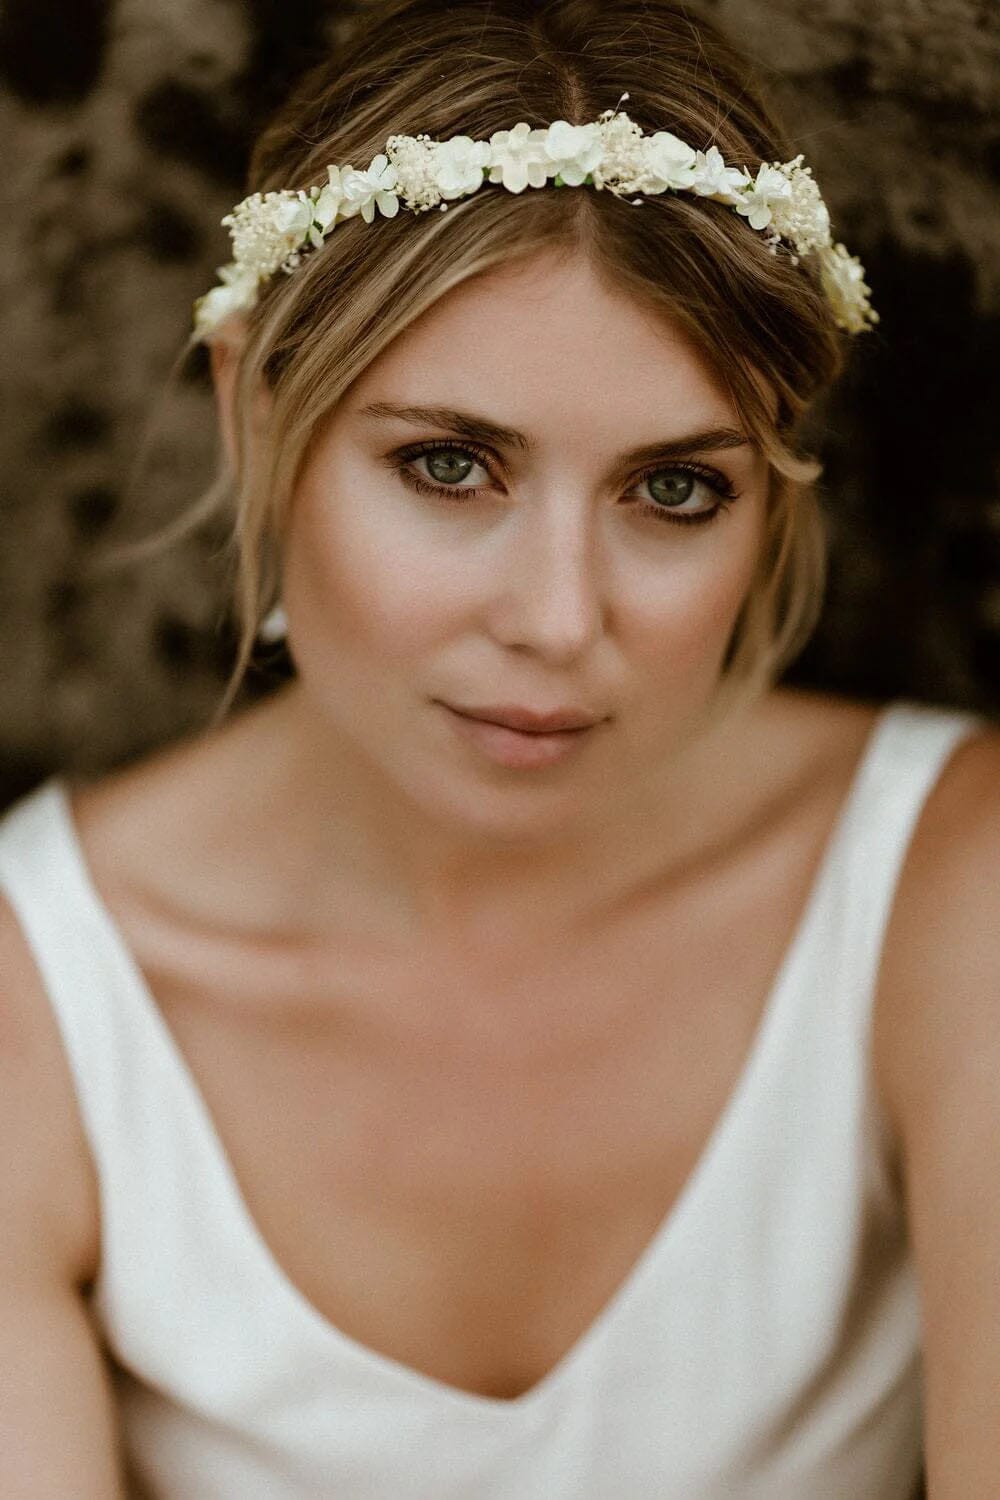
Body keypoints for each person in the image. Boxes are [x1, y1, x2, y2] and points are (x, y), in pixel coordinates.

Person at [0, 0, 996, 1495]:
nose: (557, 619)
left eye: (673, 490)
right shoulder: (44, 1005)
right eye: (448, 465)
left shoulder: (950, 890)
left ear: (775, 501)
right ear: (252, 408)